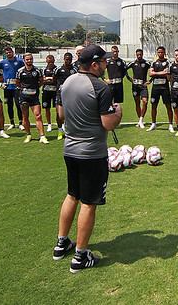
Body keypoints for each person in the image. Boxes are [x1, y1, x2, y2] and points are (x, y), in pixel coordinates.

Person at [53, 45, 121, 273]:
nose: (106, 65)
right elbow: (108, 123)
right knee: (89, 203)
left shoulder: (67, 83)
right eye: (103, 62)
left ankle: (62, 243)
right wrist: (118, 112)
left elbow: (60, 117)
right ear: (94, 64)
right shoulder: (101, 87)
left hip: (69, 150)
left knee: (72, 195)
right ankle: (80, 256)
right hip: (91, 154)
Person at [17, 53, 48, 144]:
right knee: (25, 117)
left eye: (31, 59)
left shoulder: (37, 71)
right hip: (24, 97)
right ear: (24, 60)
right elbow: (17, 83)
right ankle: (28, 135)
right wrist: (24, 90)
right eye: (27, 59)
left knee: (38, 115)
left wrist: (35, 88)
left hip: (34, 97)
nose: (29, 61)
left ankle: (42, 136)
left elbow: (41, 81)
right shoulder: (20, 71)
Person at [148, 46, 173, 132]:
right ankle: (153, 124)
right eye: (159, 52)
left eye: (162, 52)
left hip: (165, 87)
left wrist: (155, 73)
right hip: (155, 87)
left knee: (168, 106)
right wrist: (161, 73)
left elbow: (168, 73)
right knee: (153, 105)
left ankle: (170, 124)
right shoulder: (154, 62)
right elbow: (150, 74)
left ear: (164, 53)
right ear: (157, 53)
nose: (160, 54)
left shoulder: (168, 62)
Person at [0, 46, 25, 129]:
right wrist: (0, 83)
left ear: (13, 52)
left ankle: (20, 123)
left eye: (9, 52)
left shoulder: (20, 61)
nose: (8, 54)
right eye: (6, 53)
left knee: (18, 104)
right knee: (9, 105)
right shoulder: (2, 63)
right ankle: (12, 123)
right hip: (7, 88)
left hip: (17, 87)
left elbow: (24, 70)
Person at [126, 49, 151, 129]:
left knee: (145, 101)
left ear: (142, 54)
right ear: (136, 55)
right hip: (135, 86)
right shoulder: (133, 63)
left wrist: (150, 81)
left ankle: (141, 119)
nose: (139, 56)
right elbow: (124, 69)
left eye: (140, 54)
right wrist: (129, 78)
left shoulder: (146, 63)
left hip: (143, 86)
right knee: (137, 103)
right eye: (138, 55)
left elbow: (154, 70)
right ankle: (140, 121)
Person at [54, 53, 76, 136]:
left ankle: (69, 130)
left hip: (72, 94)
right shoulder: (58, 69)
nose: (68, 61)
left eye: (70, 59)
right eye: (67, 59)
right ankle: (60, 130)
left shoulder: (74, 70)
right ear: (64, 59)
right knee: (60, 115)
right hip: (61, 94)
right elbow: (54, 79)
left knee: (71, 114)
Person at [42, 55, 59, 131]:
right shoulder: (44, 70)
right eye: (49, 62)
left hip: (55, 91)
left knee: (57, 108)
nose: (50, 63)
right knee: (47, 108)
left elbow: (56, 80)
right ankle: (49, 124)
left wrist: (49, 79)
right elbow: (42, 80)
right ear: (46, 61)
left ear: (54, 61)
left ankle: (59, 123)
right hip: (46, 91)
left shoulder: (57, 69)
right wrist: (49, 80)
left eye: (51, 62)